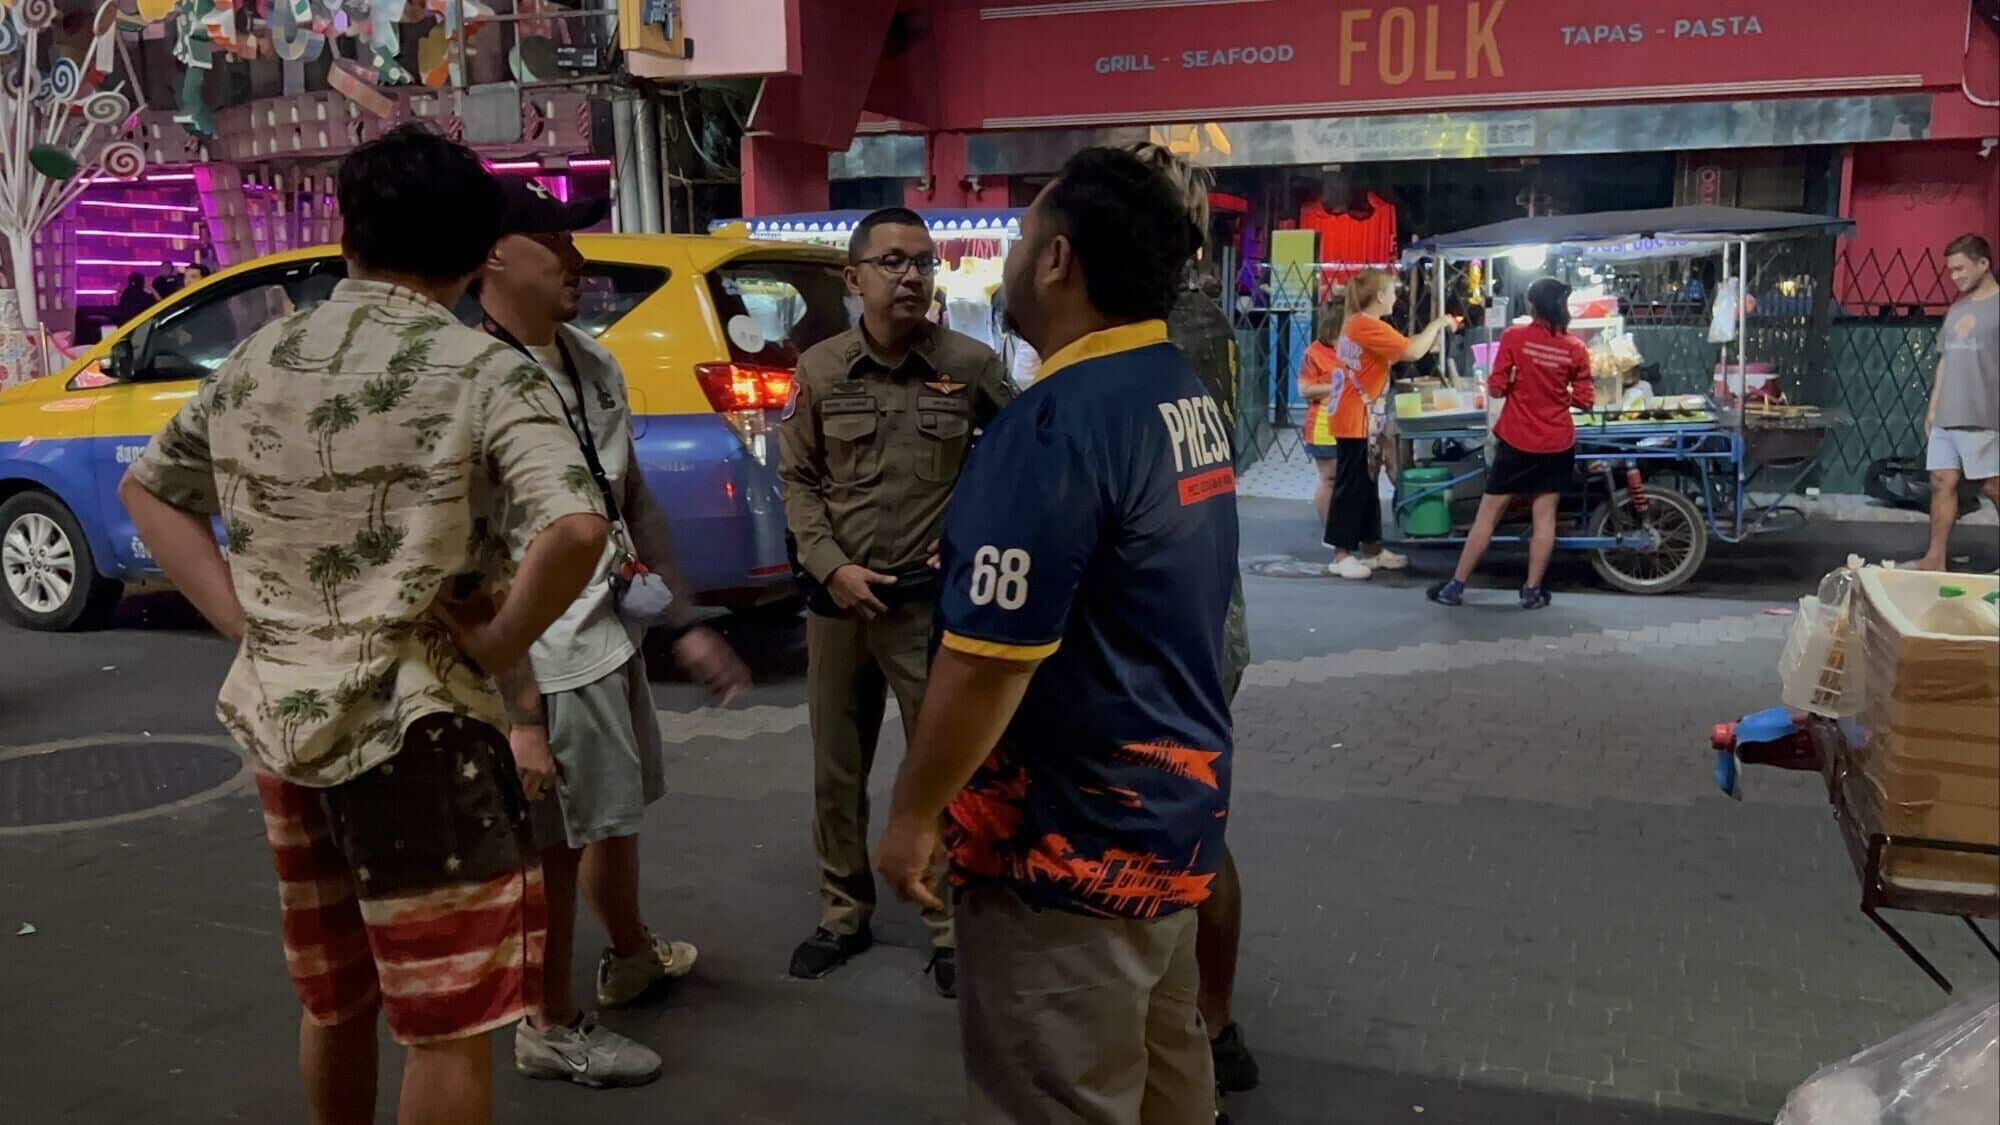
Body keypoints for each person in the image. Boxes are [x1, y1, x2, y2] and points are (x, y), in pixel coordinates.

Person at [117, 125, 610, 1125]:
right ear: (474, 257)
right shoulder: (484, 369)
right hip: (424, 740)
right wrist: (499, 642)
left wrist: (249, 626)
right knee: (444, 1024)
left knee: (334, 996)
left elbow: (150, 490)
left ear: (349, 234)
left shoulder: (260, 355)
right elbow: (576, 527)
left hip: (284, 733)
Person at [875, 145, 1236, 1125]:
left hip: (1064, 855)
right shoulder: (1176, 389)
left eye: (1021, 234)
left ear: (1057, 260)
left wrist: (913, 813)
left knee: (1055, 1096)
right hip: (1169, 827)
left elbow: (986, 664)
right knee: (1167, 1082)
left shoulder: (1053, 426)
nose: (1005, 258)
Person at [475, 179, 751, 1089]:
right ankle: (546, 1023)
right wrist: (519, 712)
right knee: (553, 847)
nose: (578, 259)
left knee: (612, 816)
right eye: (555, 241)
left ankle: (629, 954)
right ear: (494, 256)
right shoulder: (471, 380)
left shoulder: (589, 361)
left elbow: (629, 497)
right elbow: (470, 564)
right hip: (542, 656)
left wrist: (685, 622)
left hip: (605, 631)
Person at [777, 206, 1016, 996]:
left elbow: (1021, 458)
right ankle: (843, 911)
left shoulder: (970, 365)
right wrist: (831, 567)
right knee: (835, 769)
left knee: (939, 766)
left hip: (926, 609)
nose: (911, 275)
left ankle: (946, 924)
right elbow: (798, 480)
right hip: (839, 606)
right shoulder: (819, 370)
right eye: (892, 261)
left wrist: (973, 533)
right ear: (855, 279)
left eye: (922, 261)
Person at [1131, 139, 1258, 1097]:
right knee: (1194, 822)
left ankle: (1200, 1021)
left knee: (1184, 828)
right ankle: (1206, 1017)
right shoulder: (1199, 317)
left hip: (1170, 619)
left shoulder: (1156, 331)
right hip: (1205, 611)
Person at [1428, 277, 1594, 609]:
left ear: (1532, 304)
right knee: (1544, 517)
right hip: (1556, 444)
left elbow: (1496, 388)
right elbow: (1586, 400)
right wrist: (1559, 394)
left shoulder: (1514, 337)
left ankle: (1455, 587)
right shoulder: (1575, 348)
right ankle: (1531, 591)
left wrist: (1519, 382)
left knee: (1487, 516)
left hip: (1517, 440)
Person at [1323, 269, 1453, 579]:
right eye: (1393, 291)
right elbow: (1412, 350)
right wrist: (1438, 323)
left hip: (1363, 417)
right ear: (1380, 296)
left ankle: (1372, 549)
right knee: (1352, 485)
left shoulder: (1361, 324)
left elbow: (1403, 348)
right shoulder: (1366, 325)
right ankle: (1341, 555)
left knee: (1367, 483)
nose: (1396, 295)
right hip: (1356, 417)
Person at [1913, 233, 1999, 571]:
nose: (1954, 276)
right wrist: (1934, 406)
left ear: (1983, 264)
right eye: (1950, 270)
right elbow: (1946, 359)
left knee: (1993, 486)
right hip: (1949, 413)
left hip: (1984, 413)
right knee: (1941, 481)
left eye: (1960, 269)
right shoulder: (1957, 308)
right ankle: (1935, 558)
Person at [1297, 304, 1344, 527]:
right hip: (1323, 426)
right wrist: (1337, 387)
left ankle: (1346, 527)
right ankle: (1330, 529)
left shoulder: (1353, 350)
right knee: (1330, 477)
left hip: (1351, 423)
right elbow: (1304, 389)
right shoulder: (1314, 353)